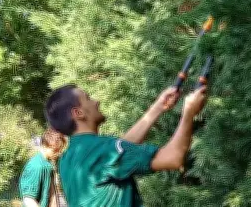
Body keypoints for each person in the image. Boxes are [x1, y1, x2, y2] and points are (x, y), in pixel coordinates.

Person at [45, 84, 207, 207]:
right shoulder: (103, 150)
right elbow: (173, 158)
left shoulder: (68, 157)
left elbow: (119, 150)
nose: (96, 101)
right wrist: (189, 112)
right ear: (78, 113)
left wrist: (158, 107)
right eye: (88, 98)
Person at [19, 128, 69, 207]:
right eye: (56, 150)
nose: (59, 154)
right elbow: (29, 200)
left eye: (60, 150)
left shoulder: (48, 163)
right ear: (47, 146)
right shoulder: (36, 166)